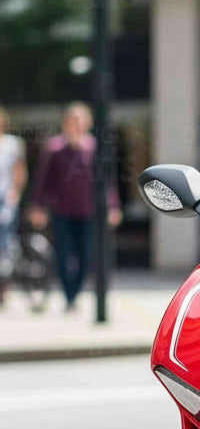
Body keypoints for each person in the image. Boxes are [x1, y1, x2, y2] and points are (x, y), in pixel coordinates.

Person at [28, 102, 121, 312]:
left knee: (86, 256)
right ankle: (69, 297)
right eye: (73, 120)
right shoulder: (54, 148)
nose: (77, 125)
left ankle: (75, 292)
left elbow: (106, 181)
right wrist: (37, 206)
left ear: (87, 123)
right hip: (61, 211)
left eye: (81, 120)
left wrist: (113, 206)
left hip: (88, 211)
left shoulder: (94, 147)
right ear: (66, 123)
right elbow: (42, 181)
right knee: (63, 254)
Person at [0, 106, 27, 293]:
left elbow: (19, 171)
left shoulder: (12, 144)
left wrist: (15, 193)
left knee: (5, 235)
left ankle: (5, 279)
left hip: (5, 195)